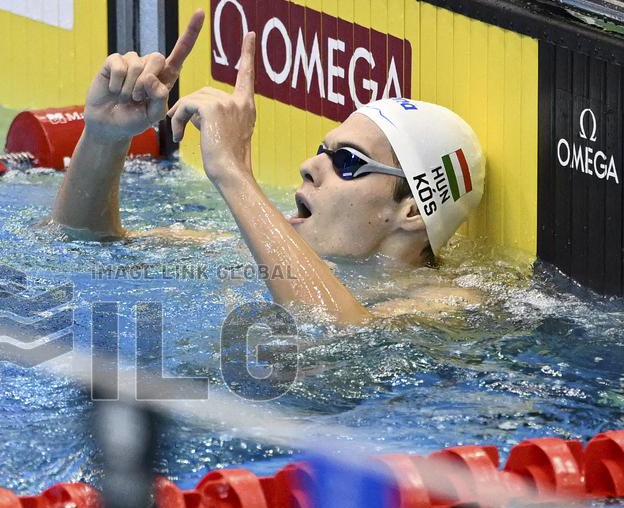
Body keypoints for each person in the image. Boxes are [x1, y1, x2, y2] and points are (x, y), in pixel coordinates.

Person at [50, 10, 486, 325]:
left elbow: (333, 332)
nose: (309, 166)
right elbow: (85, 245)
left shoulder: (448, 304)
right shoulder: (245, 255)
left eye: (348, 161)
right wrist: (104, 138)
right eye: (322, 150)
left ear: (412, 209)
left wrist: (233, 172)